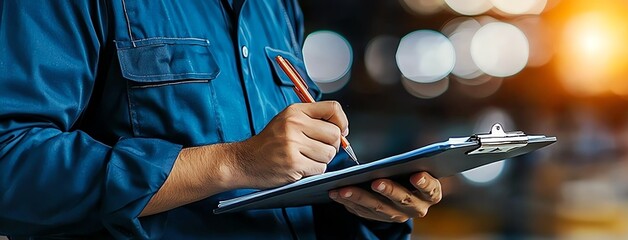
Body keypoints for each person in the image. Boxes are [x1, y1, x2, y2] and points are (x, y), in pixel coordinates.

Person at [0, 0, 443, 239]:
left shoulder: (275, 7)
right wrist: (235, 163)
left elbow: (291, 175)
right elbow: (11, 163)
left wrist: (367, 207)